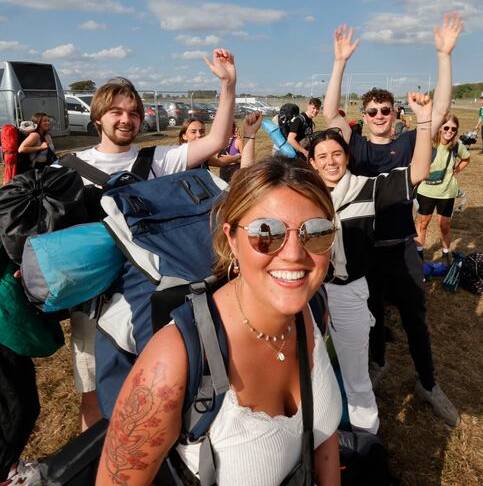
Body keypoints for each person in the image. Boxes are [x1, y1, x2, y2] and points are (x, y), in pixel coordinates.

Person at [96, 156, 342, 485]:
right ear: (232, 239)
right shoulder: (173, 360)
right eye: (266, 233)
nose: (295, 254)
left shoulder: (312, 309)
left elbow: (324, 440)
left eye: (317, 232)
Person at [69, 49, 237, 431]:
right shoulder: (71, 169)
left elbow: (215, 141)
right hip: (96, 300)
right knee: (95, 392)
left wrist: (228, 85)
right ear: (98, 117)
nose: (125, 119)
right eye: (116, 112)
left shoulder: (158, 160)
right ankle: (99, 455)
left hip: (155, 296)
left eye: (132, 112)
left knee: (160, 380)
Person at [322, 14, 463, 427]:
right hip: (361, 250)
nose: (379, 114)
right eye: (372, 110)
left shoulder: (407, 143)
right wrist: (339, 63)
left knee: (415, 316)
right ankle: (377, 363)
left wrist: (443, 55)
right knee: (371, 319)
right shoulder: (355, 148)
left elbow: (440, 111)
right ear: (363, 115)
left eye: (385, 109)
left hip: (401, 245)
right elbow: (330, 112)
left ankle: (428, 382)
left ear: (395, 112)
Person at [307, 91, 433, 435]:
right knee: (311, 370)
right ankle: (318, 437)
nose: (331, 161)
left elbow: (420, 170)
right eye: (323, 156)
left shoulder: (367, 188)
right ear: (313, 163)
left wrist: (424, 121)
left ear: (347, 157)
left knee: (356, 378)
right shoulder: (304, 196)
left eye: (337, 154)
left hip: (347, 294)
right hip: (306, 296)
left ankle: (365, 445)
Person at [415, 114, 471, 264]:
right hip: (426, 190)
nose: (449, 131)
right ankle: (419, 255)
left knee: (444, 226)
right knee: (422, 223)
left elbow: (466, 159)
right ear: (439, 127)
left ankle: (446, 255)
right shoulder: (428, 143)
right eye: (446, 127)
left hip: (446, 192)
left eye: (453, 129)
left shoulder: (457, 145)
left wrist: (457, 169)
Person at [176, 117, 241, 172]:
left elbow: (218, 162)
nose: (199, 135)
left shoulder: (201, 153)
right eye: (193, 132)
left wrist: (237, 156)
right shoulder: (178, 156)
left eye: (202, 131)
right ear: (184, 136)